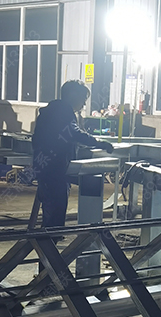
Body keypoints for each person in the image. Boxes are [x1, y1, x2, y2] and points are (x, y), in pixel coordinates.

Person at [32, 80, 114, 229]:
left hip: (47, 166)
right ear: (72, 95)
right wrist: (99, 143)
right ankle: (50, 239)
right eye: (83, 98)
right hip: (54, 168)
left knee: (52, 208)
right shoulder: (62, 111)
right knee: (56, 209)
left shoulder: (53, 110)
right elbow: (74, 133)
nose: (84, 104)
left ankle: (49, 237)